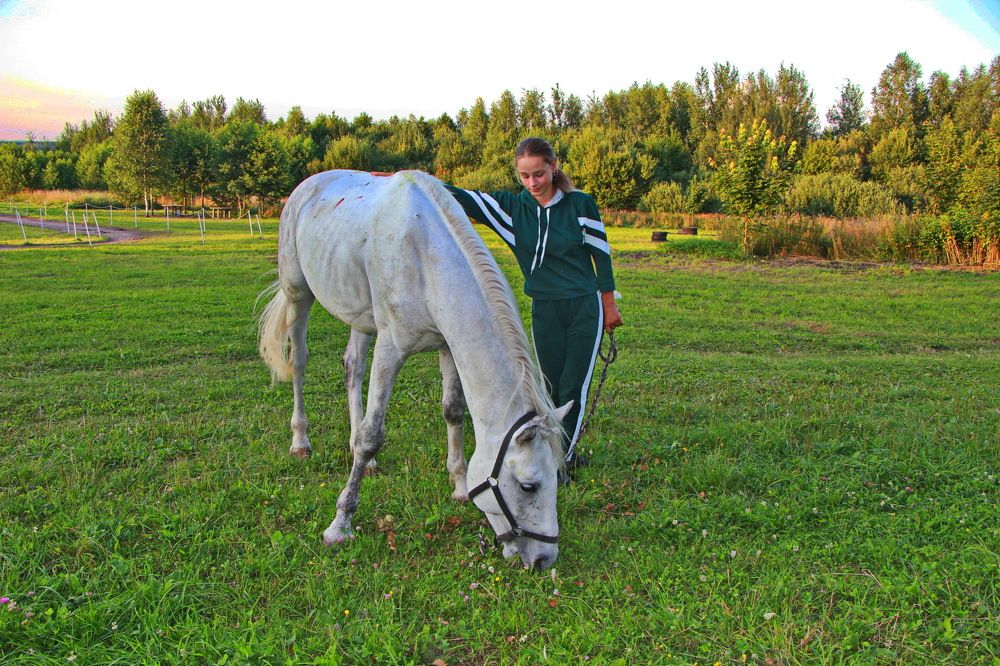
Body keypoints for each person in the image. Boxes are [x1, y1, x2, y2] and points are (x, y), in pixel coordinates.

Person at [444, 137, 623, 478]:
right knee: (549, 387)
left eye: (539, 174)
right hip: (545, 309)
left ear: (553, 167)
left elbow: (601, 255)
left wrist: (609, 305)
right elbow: (463, 197)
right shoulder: (513, 209)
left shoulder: (580, 204)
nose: (532, 183)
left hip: (585, 306)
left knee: (574, 387)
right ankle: (560, 452)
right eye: (524, 176)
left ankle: (561, 461)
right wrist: (407, 180)